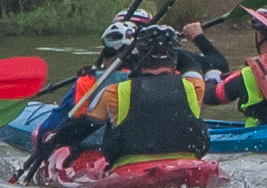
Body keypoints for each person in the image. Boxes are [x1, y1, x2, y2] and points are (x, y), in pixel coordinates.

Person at [82, 21, 212, 167]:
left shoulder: (114, 92)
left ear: (140, 54)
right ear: (174, 55)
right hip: (187, 166)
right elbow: (193, 65)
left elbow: (80, 130)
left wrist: (54, 144)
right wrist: (165, 42)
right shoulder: (194, 86)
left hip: (130, 171)